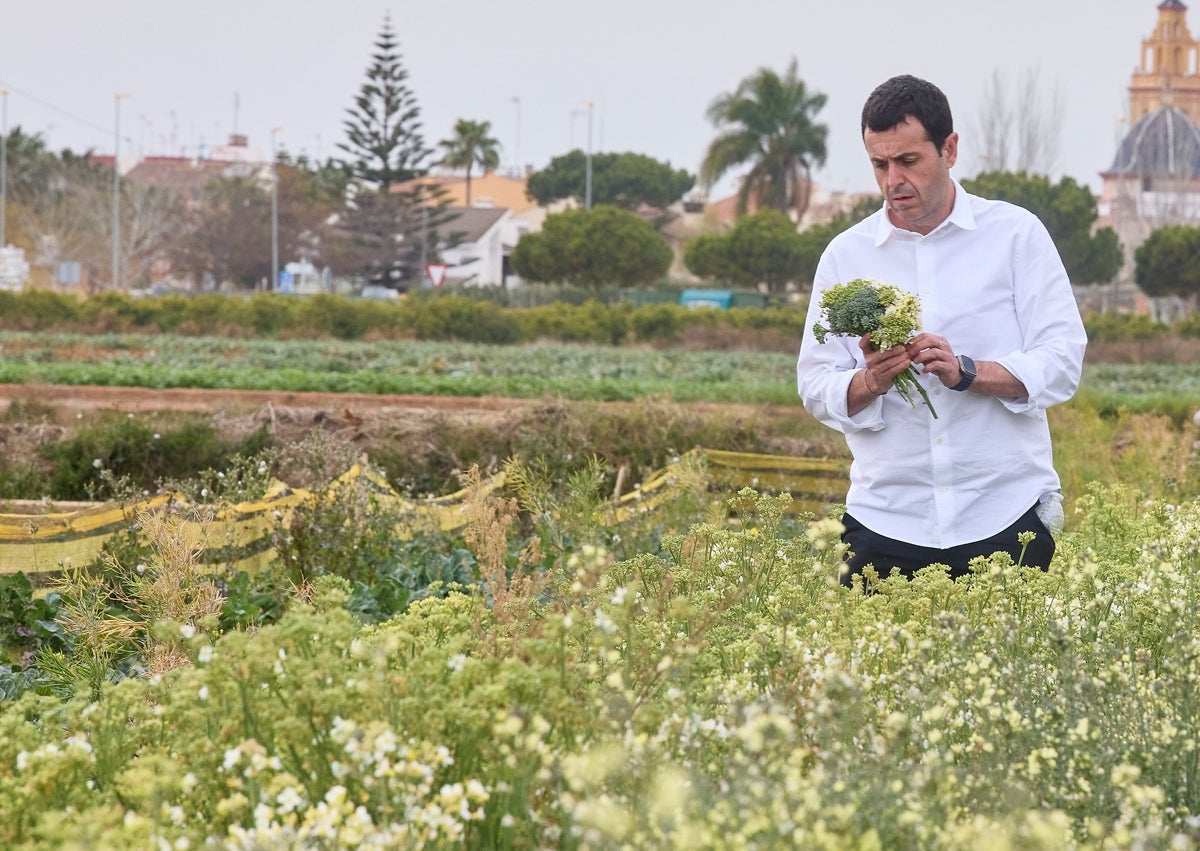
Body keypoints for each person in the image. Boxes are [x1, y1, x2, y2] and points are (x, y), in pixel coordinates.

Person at [795, 74, 1087, 587]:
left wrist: (967, 372)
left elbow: (1062, 362)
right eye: (879, 165)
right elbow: (815, 385)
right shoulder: (845, 255)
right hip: (884, 521)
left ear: (949, 149)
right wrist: (871, 380)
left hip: (1005, 517)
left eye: (908, 161)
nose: (893, 181)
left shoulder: (1017, 235)